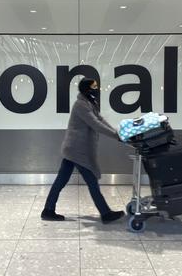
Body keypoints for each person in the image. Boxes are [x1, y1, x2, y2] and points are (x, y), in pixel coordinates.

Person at [41, 77, 125, 223]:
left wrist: (117, 133)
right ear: (87, 89)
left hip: (74, 149)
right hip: (77, 151)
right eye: (94, 87)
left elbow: (100, 120)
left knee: (61, 181)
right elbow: (95, 124)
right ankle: (105, 213)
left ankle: (48, 210)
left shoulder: (88, 103)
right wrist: (116, 136)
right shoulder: (80, 105)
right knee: (91, 180)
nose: (96, 90)